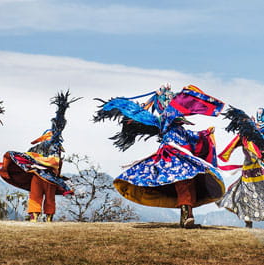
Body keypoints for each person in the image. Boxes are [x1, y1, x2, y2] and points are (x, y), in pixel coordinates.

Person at [94, 84, 225, 228]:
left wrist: (205, 134)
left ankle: (187, 217)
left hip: (182, 155)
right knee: (184, 181)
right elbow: (176, 107)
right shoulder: (166, 120)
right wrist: (174, 96)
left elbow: (191, 138)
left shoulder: (179, 128)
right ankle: (187, 216)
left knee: (188, 183)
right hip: (172, 155)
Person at [0, 91, 80, 222]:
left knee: (44, 197)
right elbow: (29, 159)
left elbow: (53, 162)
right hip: (40, 176)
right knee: (38, 196)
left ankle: (44, 218)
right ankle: (38, 217)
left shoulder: (53, 148)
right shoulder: (42, 148)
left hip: (47, 177)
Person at [216, 107, 264, 228]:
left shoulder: (251, 135)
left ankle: (248, 223)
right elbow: (233, 146)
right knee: (246, 195)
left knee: (250, 195)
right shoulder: (246, 135)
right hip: (250, 171)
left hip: (256, 170)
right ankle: (248, 222)